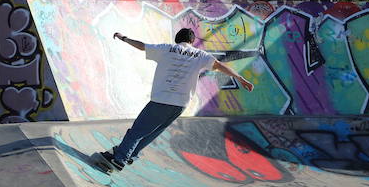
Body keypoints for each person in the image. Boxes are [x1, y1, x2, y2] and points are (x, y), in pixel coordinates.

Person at [97, 28, 254, 171]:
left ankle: (120, 159)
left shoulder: (167, 49)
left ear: (177, 39)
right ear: (192, 41)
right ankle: (128, 154)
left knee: (137, 130)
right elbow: (220, 65)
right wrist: (240, 78)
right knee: (151, 133)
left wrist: (124, 38)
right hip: (180, 105)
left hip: (162, 99)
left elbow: (142, 46)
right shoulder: (200, 55)